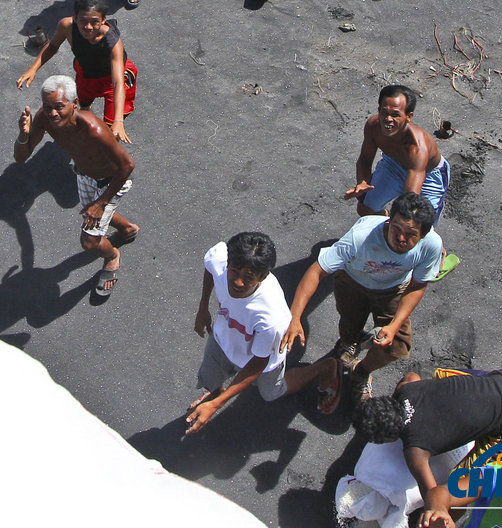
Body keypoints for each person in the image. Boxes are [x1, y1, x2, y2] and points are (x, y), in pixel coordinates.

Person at [281, 192, 442, 403]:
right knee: (350, 322)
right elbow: (316, 271)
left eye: (411, 234)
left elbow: (417, 286)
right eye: (396, 228)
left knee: (396, 347)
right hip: (352, 281)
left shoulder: (432, 246)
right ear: (388, 221)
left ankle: (361, 371)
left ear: (424, 235)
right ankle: (348, 344)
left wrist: (394, 325)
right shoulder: (360, 237)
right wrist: (295, 317)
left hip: (393, 288)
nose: (401, 238)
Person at [185, 232, 343, 434]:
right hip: (222, 338)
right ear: (228, 263)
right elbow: (210, 267)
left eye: (248, 277)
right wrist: (203, 308)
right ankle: (216, 393)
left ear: (263, 276)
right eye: (234, 271)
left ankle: (325, 367)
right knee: (209, 377)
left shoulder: (271, 317)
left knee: (272, 393)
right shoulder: (219, 258)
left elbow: (258, 362)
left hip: (261, 359)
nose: (238, 282)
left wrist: (217, 405)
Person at [14, 75, 138, 296]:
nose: (53, 113)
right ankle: (128, 230)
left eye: (59, 107)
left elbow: (127, 165)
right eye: (47, 107)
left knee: (89, 242)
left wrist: (101, 203)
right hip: (84, 176)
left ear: (75, 104)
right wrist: (23, 136)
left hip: (112, 182)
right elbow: (21, 157)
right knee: (91, 212)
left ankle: (112, 256)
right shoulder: (44, 118)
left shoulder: (93, 129)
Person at [353, 367, 502, 508]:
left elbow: (433, 496)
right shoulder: (407, 387)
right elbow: (411, 375)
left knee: (459, 488)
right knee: (443, 378)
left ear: (388, 438)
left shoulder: (415, 452)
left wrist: (435, 512)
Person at [16, 0, 137, 143]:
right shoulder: (66, 26)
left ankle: (102, 150)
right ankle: (85, 120)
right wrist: (33, 68)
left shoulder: (113, 43)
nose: (88, 27)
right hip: (86, 74)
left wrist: (118, 121)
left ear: (104, 20)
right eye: (83, 21)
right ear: (75, 17)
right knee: (83, 105)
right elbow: (53, 46)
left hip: (111, 80)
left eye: (95, 22)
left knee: (111, 131)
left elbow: (118, 82)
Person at [344, 85, 450, 221]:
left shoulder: (417, 146)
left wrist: (400, 219)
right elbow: (365, 160)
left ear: (408, 116)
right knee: (365, 210)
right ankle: (384, 217)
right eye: (384, 112)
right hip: (393, 164)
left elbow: (410, 197)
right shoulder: (373, 127)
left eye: (395, 115)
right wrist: (362, 182)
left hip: (426, 176)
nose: (388, 119)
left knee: (418, 224)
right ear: (379, 110)